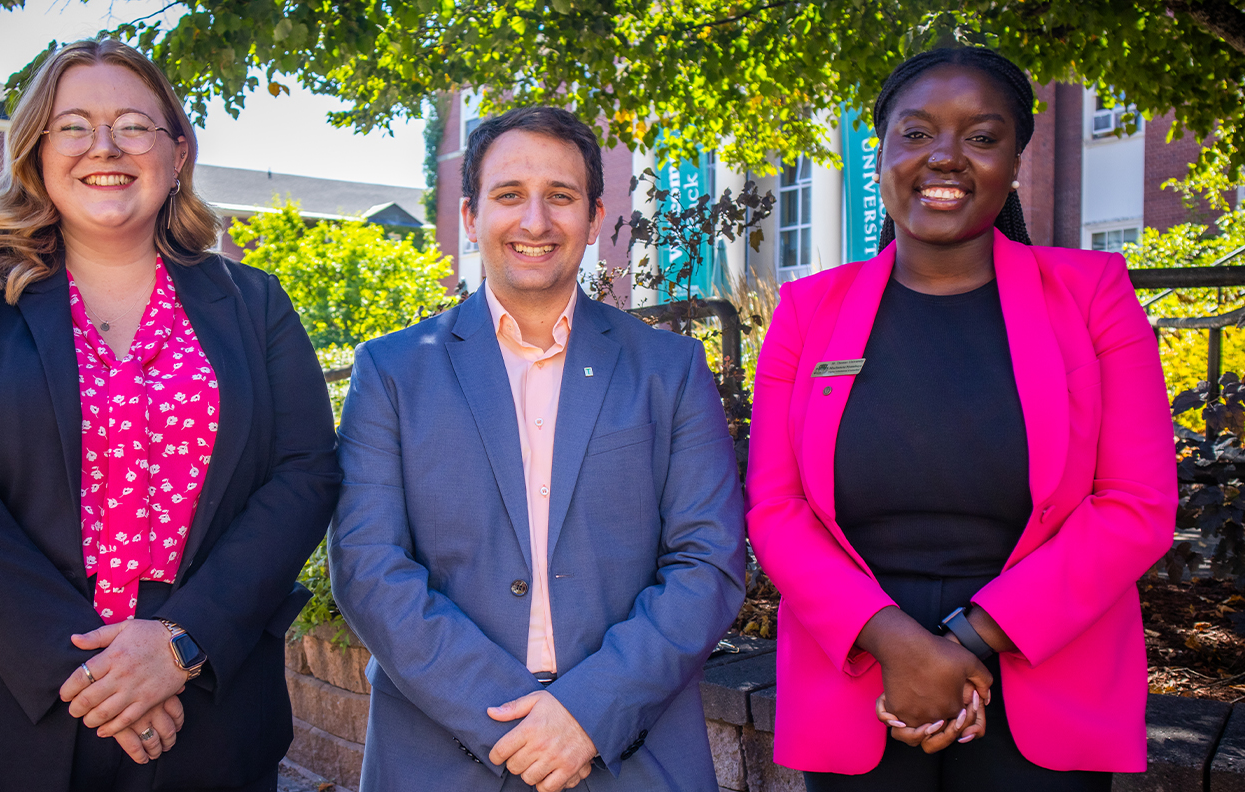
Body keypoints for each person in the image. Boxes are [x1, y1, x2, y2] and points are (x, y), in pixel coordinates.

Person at [0, 39, 340, 792]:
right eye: (72, 125)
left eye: (134, 126)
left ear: (178, 152)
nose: (103, 147)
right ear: (36, 152)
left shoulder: (254, 304)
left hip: (201, 708)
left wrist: (181, 643)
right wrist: (87, 668)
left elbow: (304, 473)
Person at [745, 46, 1176, 791]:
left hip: (1047, 670)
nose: (945, 157)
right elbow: (775, 511)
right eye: (916, 133)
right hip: (862, 679)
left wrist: (963, 643)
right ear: (880, 154)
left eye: (981, 136)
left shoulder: (1094, 295)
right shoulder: (807, 312)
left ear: (1014, 162)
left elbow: (1137, 507)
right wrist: (899, 648)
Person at [329, 106, 746, 792]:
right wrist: (515, 726)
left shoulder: (669, 369)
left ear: (594, 215)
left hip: (631, 751)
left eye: (560, 196)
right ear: (469, 216)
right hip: (439, 755)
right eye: (508, 195)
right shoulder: (393, 370)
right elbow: (368, 567)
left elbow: (708, 562)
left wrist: (586, 713)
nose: (534, 221)